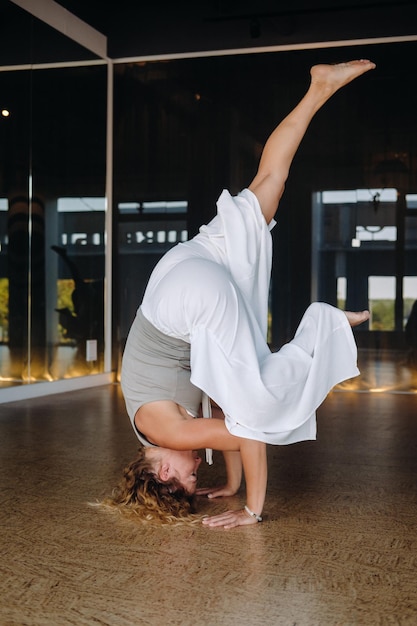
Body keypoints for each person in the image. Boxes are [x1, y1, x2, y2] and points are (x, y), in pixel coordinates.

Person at [106, 59, 375, 529]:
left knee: (264, 404)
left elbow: (247, 429)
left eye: (189, 481)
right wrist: (231, 484)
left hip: (189, 301)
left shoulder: (167, 429)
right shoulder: (159, 424)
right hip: (177, 273)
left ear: (164, 471)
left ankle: (322, 325)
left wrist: (252, 507)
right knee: (269, 184)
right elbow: (222, 402)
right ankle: (318, 88)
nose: (197, 473)